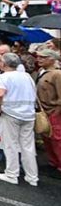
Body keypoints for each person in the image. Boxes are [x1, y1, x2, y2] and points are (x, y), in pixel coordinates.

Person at [0, 53, 38, 186]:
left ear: (4, 64)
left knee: (10, 144)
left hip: (11, 113)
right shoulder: (27, 76)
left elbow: (0, 94)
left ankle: (12, 174)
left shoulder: (3, 77)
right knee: (28, 146)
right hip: (29, 114)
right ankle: (32, 177)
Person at [35, 48, 61, 179]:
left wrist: (56, 111)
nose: (39, 59)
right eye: (38, 57)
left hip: (53, 111)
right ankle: (53, 161)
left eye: (42, 57)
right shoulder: (41, 72)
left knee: (57, 139)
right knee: (47, 138)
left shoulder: (57, 74)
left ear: (52, 59)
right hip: (43, 110)